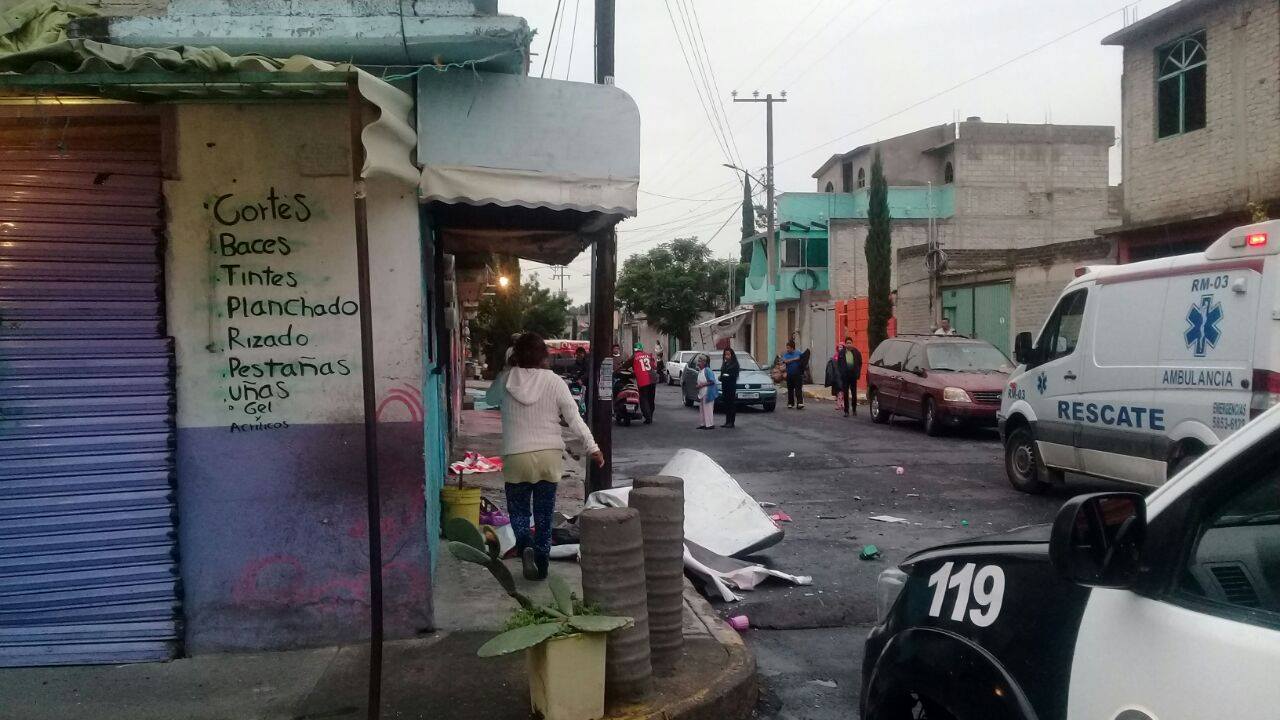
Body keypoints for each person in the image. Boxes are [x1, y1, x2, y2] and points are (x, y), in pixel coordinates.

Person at [499, 332, 605, 581]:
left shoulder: (504, 381)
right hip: (548, 456)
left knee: (519, 512)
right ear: (544, 356)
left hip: (516, 456)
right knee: (545, 515)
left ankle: (525, 543)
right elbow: (574, 418)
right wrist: (593, 447)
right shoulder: (555, 381)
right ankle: (542, 566)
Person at [629, 342, 658, 424]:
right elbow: (654, 366)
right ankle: (650, 416)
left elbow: (626, 365)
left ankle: (648, 417)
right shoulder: (649, 355)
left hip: (643, 380)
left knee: (643, 398)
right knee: (651, 398)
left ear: (634, 349)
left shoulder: (634, 357)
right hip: (652, 378)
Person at [836, 337, 863, 417]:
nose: (848, 344)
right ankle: (846, 411)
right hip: (845, 376)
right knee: (846, 393)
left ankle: (854, 410)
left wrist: (858, 373)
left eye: (850, 343)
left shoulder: (856, 352)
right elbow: (839, 364)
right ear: (845, 344)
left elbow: (860, 363)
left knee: (854, 393)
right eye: (847, 343)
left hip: (853, 375)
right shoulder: (842, 353)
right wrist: (841, 373)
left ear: (852, 343)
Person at [695, 354, 719, 429]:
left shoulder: (708, 370)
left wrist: (702, 385)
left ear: (704, 362)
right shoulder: (700, 371)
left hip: (708, 392)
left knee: (708, 409)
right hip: (702, 393)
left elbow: (712, 381)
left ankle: (709, 424)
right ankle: (703, 424)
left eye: (699, 361)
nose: (698, 363)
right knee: (702, 409)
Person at [719, 347, 740, 428]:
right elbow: (722, 374)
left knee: (731, 404)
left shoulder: (734, 364)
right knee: (726, 404)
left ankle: (731, 422)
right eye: (725, 354)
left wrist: (726, 376)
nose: (726, 356)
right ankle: (727, 421)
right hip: (725, 386)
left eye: (728, 354)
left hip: (731, 386)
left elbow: (734, 375)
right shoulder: (724, 363)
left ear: (731, 355)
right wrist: (721, 377)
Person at [782, 340, 805, 409]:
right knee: (790, 389)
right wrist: (795, 359)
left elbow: (803, 359)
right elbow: (785, 361)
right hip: (789, 374)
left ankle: (800, 403)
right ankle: (790, 403)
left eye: (788, 348)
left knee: (798, 389)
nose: (787, 349)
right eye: (787, 348)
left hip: (798, 374)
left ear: (792, 348)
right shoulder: (786, 354)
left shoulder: (799, 353)